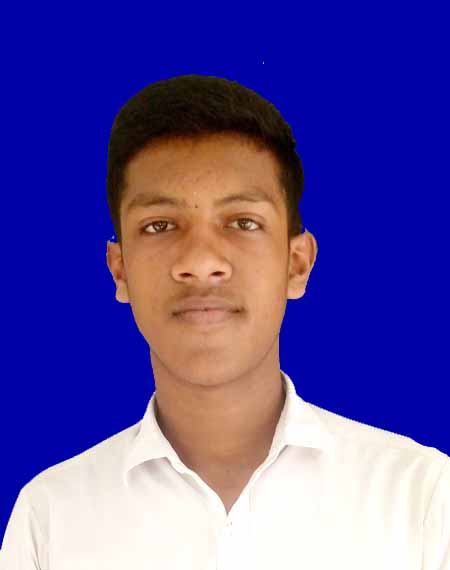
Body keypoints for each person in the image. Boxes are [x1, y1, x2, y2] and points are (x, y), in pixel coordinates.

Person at [1, 74, 449, 569]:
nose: (201, 262)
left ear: (296, 264)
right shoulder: (52, 519)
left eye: (242, 222)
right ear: (120, 269)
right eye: (159, 225)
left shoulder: (423, 501)